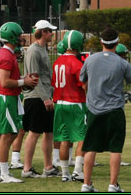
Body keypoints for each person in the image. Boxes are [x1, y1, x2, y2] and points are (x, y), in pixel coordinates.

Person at [79, 27, 131, 192]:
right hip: (114, 110)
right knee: (115, 148)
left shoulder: (90, 60)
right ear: (117, 43)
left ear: (101, 42)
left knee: (90, 147)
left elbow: (82, 81)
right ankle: (113, 184)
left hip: (94, 109)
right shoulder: (122, 63)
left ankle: (87, 183)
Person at [0, 22, 38, 184]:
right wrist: (23, 81)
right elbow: (4, 82)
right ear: (12, 36)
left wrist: (24, 82)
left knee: (13, 132)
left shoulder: (8, 54)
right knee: (7, 134)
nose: (20, 38)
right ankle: (3, 173)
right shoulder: (5, 55)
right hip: (5, 97)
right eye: (18, 35)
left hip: (10, 96)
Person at [20, 20, 59, 178]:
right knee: (34, 133)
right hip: (36, 98)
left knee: (48, 132)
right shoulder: (33, 51)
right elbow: (34, 78)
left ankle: (48, 166)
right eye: (50, 31)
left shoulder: (42, 49)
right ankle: (27, 168)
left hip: (44, 96)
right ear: (43, 32)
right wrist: (45, 98)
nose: (52, 34)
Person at [51, 30, 87, 182]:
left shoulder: (57, 62)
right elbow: (84, 86)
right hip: (75, 103)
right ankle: (78, 171)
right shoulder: (77, 63)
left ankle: (65, 173)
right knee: (84, 137)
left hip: (60, 103)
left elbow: (54, 84)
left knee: (65, 138)